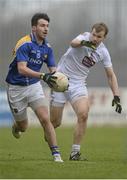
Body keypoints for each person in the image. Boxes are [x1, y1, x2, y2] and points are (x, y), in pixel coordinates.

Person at [50, 22, 122, 161]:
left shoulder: (103, 52)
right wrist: (84, 42)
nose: (94, 38)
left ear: (104, 38)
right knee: (55, 123)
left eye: (98, 36)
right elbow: (73, 43)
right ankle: (49, 131)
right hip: (60, 79)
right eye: (93, 34)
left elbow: (111, 75)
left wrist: (116, 95)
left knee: (83, 114)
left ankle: (75, 153)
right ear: (91, 32)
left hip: (78, 84)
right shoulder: (84, 37)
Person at [5, 13, 63, 162]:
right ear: (34, 27)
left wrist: (60, 80)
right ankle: (16, 126)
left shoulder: (47, 48)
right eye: (42, 25)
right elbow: (22, 69)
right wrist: (43, 76)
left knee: (45, 118)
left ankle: (56, 154)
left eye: (47, 26)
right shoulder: (24, 44)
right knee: (23, 127)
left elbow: (53, 70)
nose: (46, 29)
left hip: (33, 86)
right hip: (16, 88)